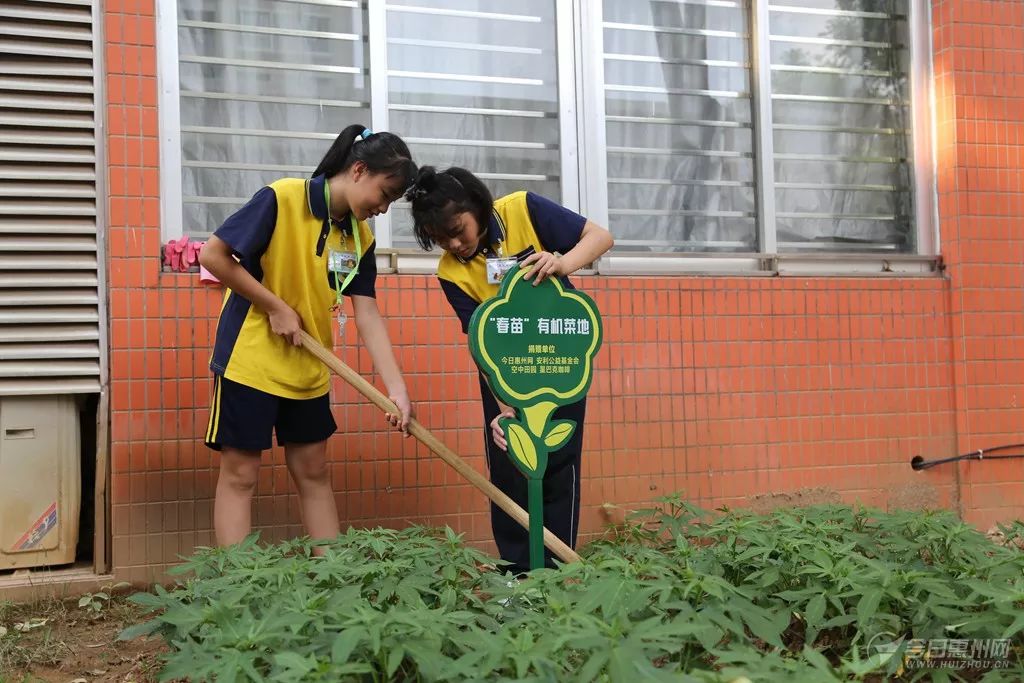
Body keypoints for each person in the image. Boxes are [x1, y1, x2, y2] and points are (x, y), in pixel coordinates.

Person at [198, 125, 417, 548]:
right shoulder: (282, 198)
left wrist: (396, 390)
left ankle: (331, 584)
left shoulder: (359, 236)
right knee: (241, 474)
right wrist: (275, 306)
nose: (384, 208)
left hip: (310, 366)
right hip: (251, 360)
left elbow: (367, 312)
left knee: (315, 472)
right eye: (385, 194)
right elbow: (214, 255)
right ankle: (238, 592)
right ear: (358, 170)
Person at [405, 166, 614, 573]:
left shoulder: (522, 209)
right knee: (510, 468)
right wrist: (504, 410)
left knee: (558, 461)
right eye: (440, 238)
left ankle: (558, 570)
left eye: (458, 229)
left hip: (559, 365)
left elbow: (600, 237)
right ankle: (517, 573)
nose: (453, 243)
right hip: (504, 375)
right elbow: (479, 344)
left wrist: (561, 262)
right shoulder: (450, 272)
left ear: (478, 207)